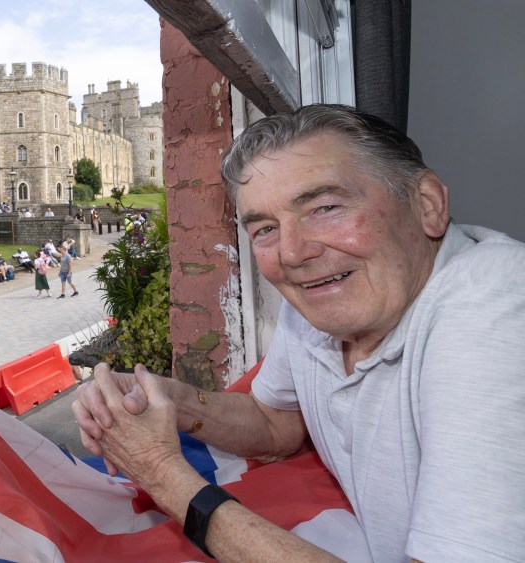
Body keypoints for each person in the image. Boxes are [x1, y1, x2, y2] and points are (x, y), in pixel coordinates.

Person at [72, 104, 525, 562]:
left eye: (325, 208)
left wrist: (162, 475)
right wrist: (169, 399)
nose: (292, 252)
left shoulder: (496, 308)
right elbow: (276, 424)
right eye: (266, 228)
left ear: (427, 204)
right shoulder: (325, 299)